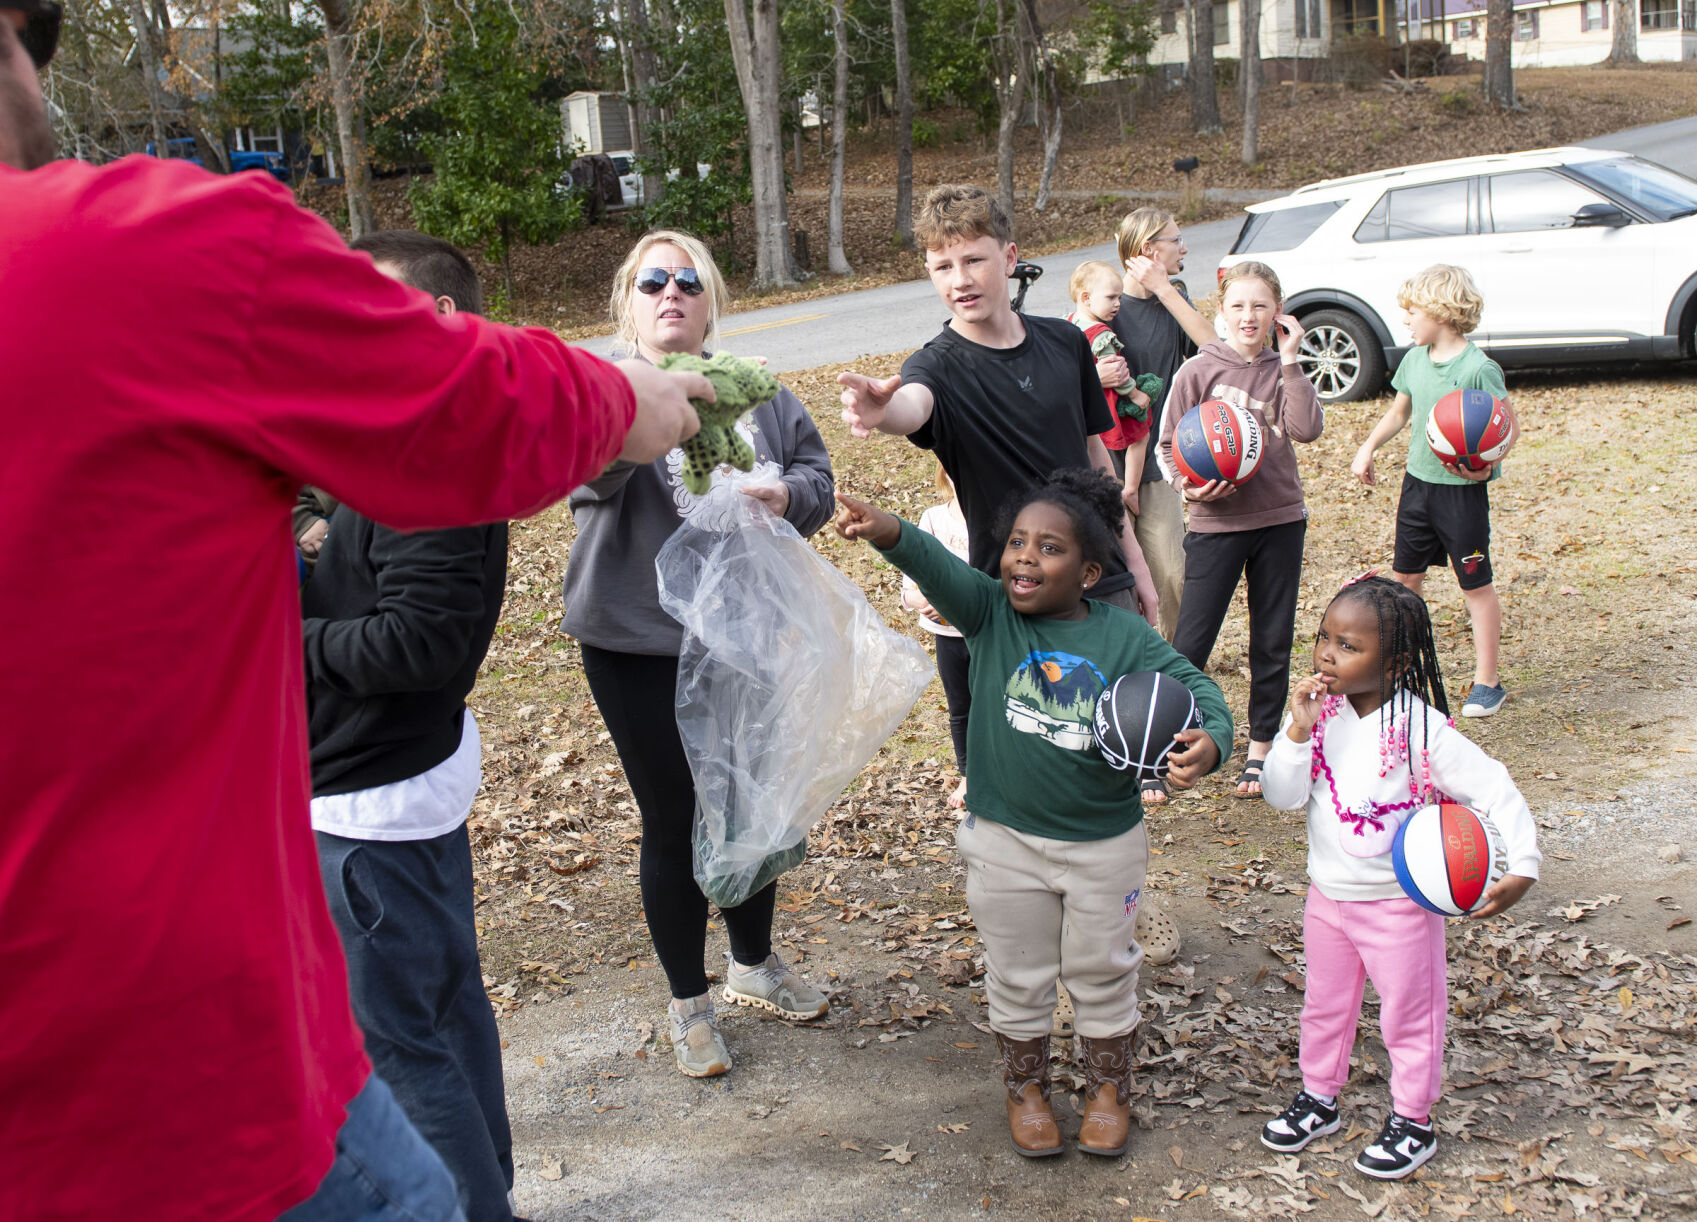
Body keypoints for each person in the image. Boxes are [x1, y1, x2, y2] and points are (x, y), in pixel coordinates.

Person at [0, 10, 709, 1216]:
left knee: (425, 1029)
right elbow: (479, 412)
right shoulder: (144, 251)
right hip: (171, 1084)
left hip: (344, 836)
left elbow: (421, 629)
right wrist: (626, 395)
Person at [833, 469, 1231, 1160]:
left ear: (1088, 572)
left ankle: (1107, 1091)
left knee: (1103, 968)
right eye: (1017, 542)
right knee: (1017, 973)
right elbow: (933, 564)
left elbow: (1197, 687)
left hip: (1104, 845)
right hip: (1003, 842)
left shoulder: (1123, 636)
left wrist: (1212, 740)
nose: (1024, 557)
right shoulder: (989, 612)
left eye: (1049, 548)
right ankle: (1026, 1089)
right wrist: (888, 529)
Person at [561, 229, 836, 1080]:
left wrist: (785, 492)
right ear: (628, 301)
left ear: (711, 299)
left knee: (751, 807)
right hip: (635, 639)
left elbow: (817, 478)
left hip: (748, 636)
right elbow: (581, 475)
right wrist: (647, 415)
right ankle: (688, 1002)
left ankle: (753, 965)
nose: (670, 292)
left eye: (688, 280)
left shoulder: (759, 392)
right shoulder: (600, 391)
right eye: (652, 281)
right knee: (675, 816)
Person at [302, 231, 516, 1222]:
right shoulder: (408, 435)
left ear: (435, 319)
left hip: (370, 803)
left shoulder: (431, 456)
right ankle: (491, 1192)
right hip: (397, 779)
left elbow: (418, 641)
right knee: (447, 1008)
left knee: (401, 1043)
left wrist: (280, 634)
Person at [1257, 575, 1539, 1181]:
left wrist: (1523, 866)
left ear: (1397, 662)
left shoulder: (1423, 729)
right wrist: (1296, 732)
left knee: (1410, 1015)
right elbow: (1280, 796)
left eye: (1348, 646)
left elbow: (1495, 788)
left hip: (1399, 908)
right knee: (1325, 1006)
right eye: (1323, 637)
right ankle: (1319, 1098)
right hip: (1328, 899)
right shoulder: (1319, 717)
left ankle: (1413, 1119)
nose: (1327, 654)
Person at [837, 184, 1158, 627]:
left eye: (973, 260)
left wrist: (1135, 562)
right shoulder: (935, 366)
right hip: (1013, 605)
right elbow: (912, 405)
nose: (960, 280)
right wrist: (883, 413)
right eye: (943, 266)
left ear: (1009, 258)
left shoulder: (1066, 342)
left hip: (1102, 581)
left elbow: (1095, 457)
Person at [1160, 260, 1324, 800]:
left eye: (1260, 305)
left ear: (1278, 311)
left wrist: (1292, 360)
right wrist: (1187, 489)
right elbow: (1168, 446)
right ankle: (1162, 744)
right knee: (1190, 642)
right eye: (1238, 305)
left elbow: (1306, 429)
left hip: (1279, 520)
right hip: (1216, 524)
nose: (1248, 316)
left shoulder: (1283, 369)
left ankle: (1261, 750)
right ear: (1221, 310)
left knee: (1271, 640)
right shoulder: (1198, 371)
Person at [1350, 264, 1520, 718]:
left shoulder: (1478, 368)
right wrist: (1367, 447)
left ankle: (1488, 681)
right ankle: (1407, 672)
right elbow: (1398, 413)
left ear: (1441, 312)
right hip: (1418, 488)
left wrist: (1486, 469)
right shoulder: (1414, 360)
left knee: (1475, 584)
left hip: (1461, 494)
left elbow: (1508, 426)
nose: (1405, 320)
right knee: (1405, 581)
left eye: (1413, 312)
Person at [1113, 207, 1218, 656]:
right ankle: (1125, 661)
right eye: (1176, 240)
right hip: (1106, 463)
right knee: (1115, 578)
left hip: (1158, 463)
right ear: (1149, 249)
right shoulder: (1104, 302)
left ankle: (1180, 663)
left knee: (1172, 574)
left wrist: (1164, 289)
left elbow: (1215, 350)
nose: (1184, 248)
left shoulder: (1174, 300)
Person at [901, 464, 972, 810]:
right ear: (945, 475)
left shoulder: (993, 519)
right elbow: (909, 588)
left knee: (992, 703)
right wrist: (928, 602)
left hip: (984, 631)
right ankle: (968, 775)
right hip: (947, 635)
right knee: (960, 707)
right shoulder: (932, 519)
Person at [1066, 258, 1150, 470]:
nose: (1118, 303)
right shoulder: (1101, 335)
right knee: (1141, 433)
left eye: (1119, 297)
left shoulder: (1068, 323)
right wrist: (1135, 395)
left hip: (1085, 406)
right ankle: (1131, 485)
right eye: (1111, 297)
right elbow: (1117, 373)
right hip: (1108, 402)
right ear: (1086, 298)